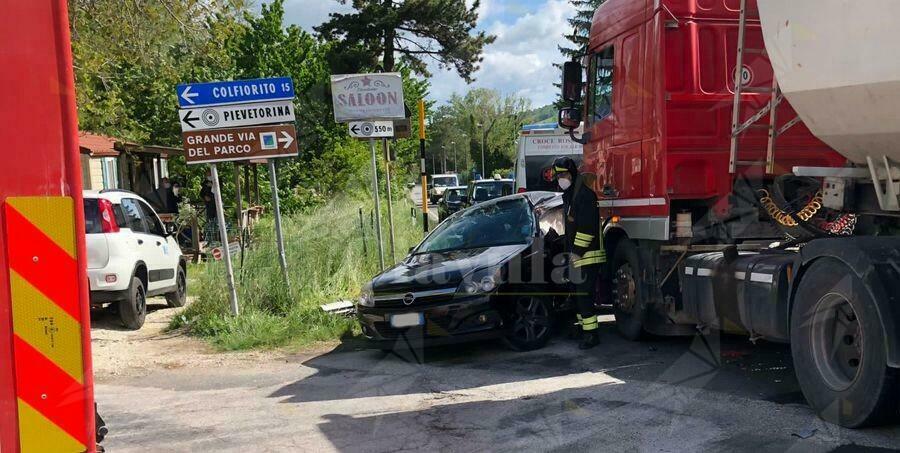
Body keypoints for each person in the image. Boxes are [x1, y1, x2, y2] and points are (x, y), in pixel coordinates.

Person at [553, 156, 605, 349]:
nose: (561, 179)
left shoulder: (585, 196)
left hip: (588, 256)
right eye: (559, 176)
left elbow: (586, 230)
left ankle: (592, 335)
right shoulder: (569, 195)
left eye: (564, 175)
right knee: (576, 294)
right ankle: (583, 329)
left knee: (584, 296)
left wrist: (576, 253)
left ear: (573, 174)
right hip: (576, 257)